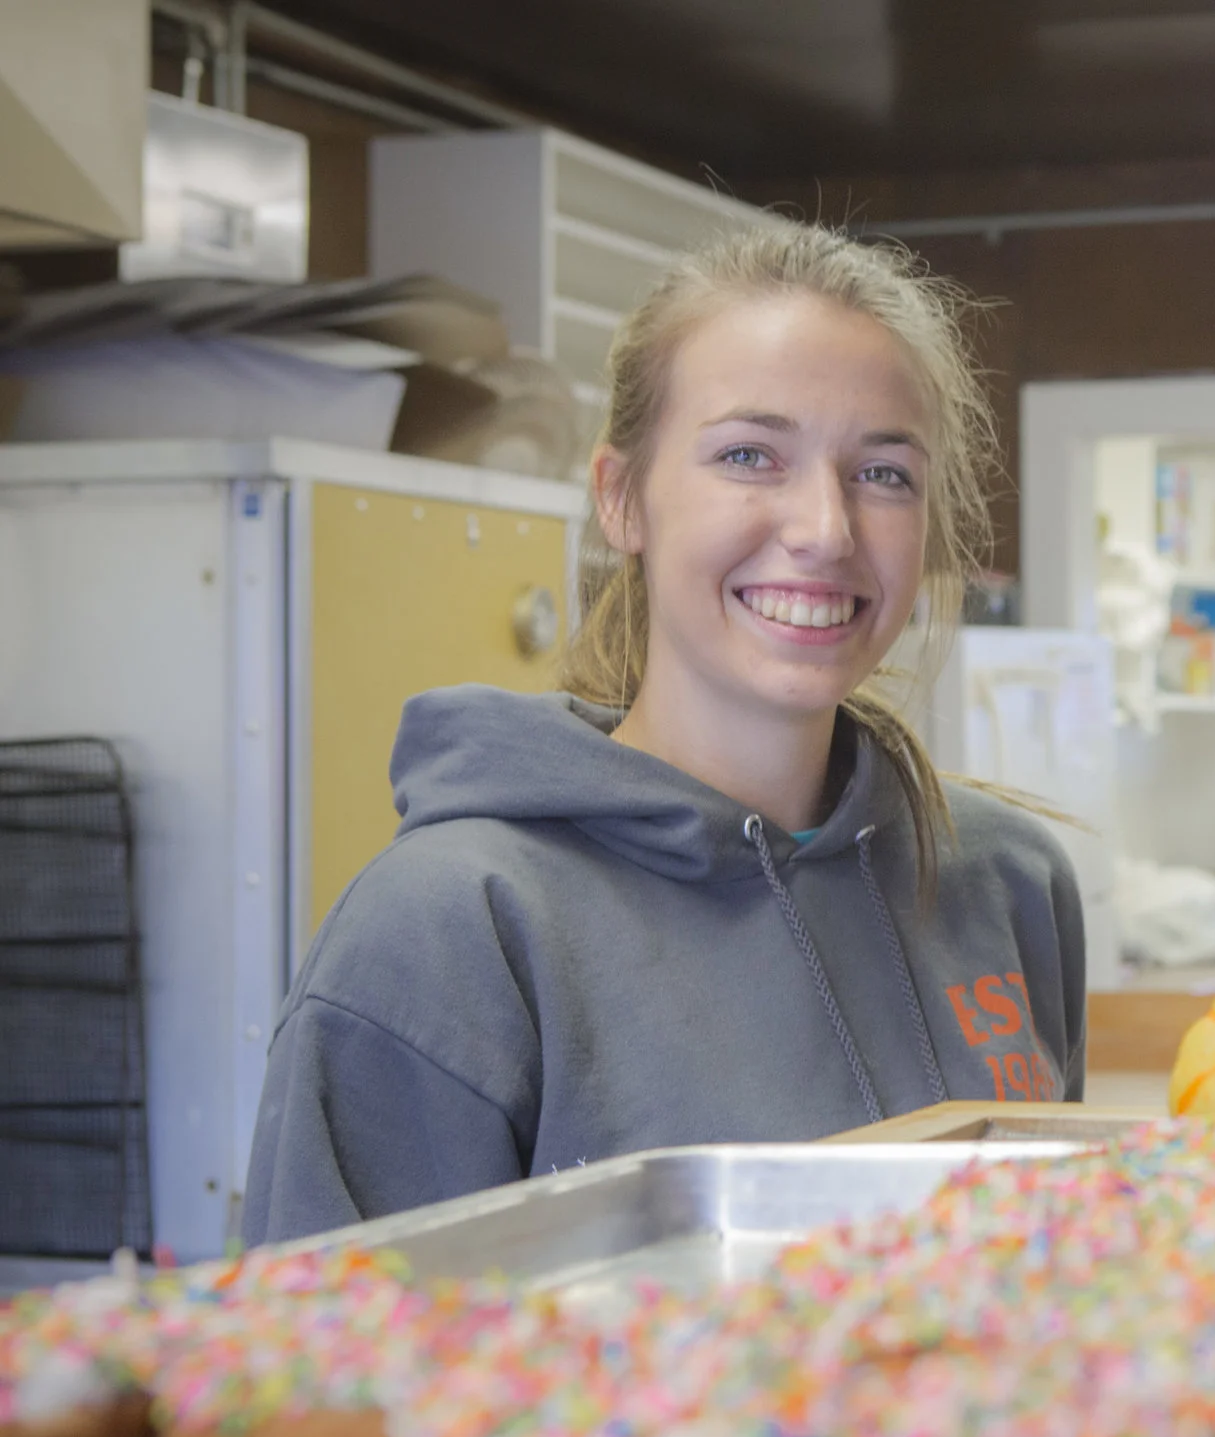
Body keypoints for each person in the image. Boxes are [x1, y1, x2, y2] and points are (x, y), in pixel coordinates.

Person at [242, 222, 1086, 1243]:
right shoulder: (451, 930)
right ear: (620, 498)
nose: (825, 527)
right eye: (749, 455)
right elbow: (322, 1382)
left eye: (883, 473)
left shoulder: (1008, 884)